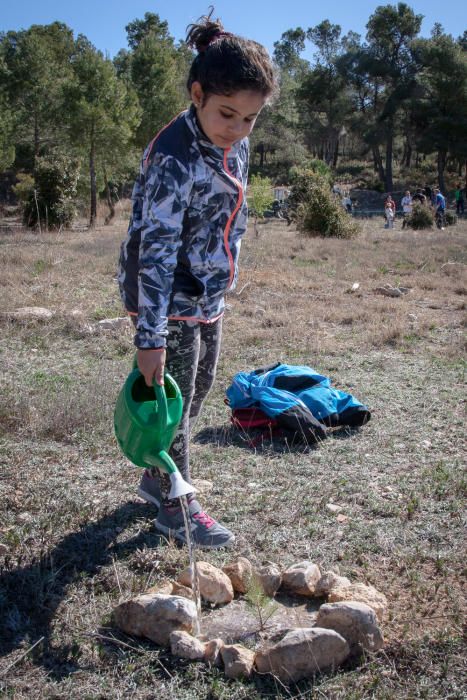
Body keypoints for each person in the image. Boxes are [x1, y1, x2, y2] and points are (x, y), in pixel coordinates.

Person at [118, 12, 277, 548]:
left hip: (208, 288)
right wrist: (151, 337)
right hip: (167, 290)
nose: (237, 128)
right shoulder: (174, 154)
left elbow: (234, 213)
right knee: (173, 397)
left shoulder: (238, 143)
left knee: (198, 389)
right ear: (197, 93)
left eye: (250, 119)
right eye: (227, 113)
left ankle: (155, 475)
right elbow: (156, 253)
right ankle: (176, 506)